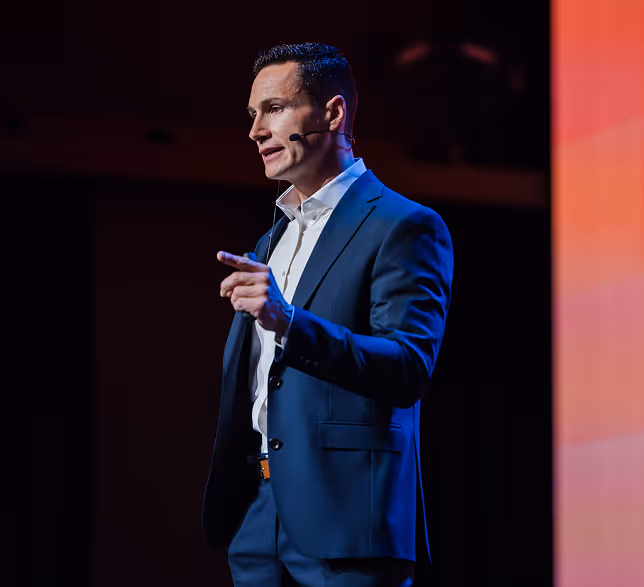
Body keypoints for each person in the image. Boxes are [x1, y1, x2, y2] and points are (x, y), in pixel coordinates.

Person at [202, 42, 453, 587]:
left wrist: (290, 322)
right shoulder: (273, 239)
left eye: (273, 109)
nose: (255, 131)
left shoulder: (403, 225)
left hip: (347, 522)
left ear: (333, 114)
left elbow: (408, 366)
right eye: (253, 115)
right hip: (259, 514)